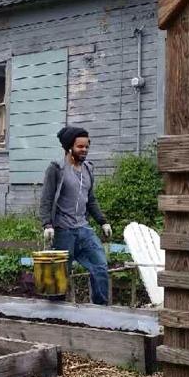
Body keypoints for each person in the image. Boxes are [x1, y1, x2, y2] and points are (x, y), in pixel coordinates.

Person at [39, 126, 113, 305]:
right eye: (80, 147)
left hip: (83, 229)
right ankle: (55, 315)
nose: (85, 150)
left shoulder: (87, 169)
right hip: (63, 231)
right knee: (58, 276)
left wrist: (102, 221)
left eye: (87, 146)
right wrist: (47, 224)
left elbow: (91, 199)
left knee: (100, 267)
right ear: (69, 147)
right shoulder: (56, 168)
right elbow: (46, 199)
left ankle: (100, 310)